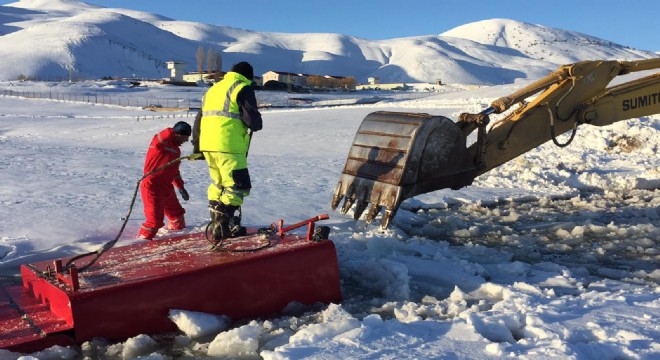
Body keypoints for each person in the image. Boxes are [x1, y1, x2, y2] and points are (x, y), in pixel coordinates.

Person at [192, 61, 263, 240]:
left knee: (219, 183)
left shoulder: (214, 89)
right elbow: (252, 120)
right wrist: (256, 122)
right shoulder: (243, 87)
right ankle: (222, 225)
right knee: (239, 186)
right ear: (248, 76)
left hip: (208, 145)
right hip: (228, 146)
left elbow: (199, 118)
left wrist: (197, 146)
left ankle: (220, 224)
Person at [138, 121, 192, 240]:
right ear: (178, 134)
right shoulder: (160, 144)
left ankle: (178, 238)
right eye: (185, 137)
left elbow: (175, 172)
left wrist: (181, 187)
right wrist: (173, 130)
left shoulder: (176, 151)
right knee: (154, 222)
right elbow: (161, 137)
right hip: (152, 186)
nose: (186, 140)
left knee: (177, 215)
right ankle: (141, 243)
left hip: (166, 187)